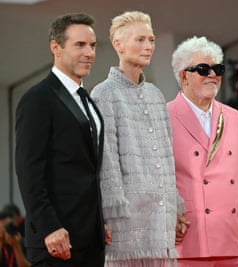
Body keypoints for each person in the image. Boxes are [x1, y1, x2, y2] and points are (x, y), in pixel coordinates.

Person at [91, 11, 186, 267]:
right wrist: (109, 216)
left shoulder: (155, 95)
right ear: (118, 44)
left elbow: (168, 158)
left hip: (161, 220)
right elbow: (106, 162)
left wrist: (175, 207)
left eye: (151, 40)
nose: (148, 46)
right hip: (127, 224)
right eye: (140, 40)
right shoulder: (103, 94)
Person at [15, 12, 111, 266]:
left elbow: (87, 170)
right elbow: (28, 171)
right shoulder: (38, 99)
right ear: (55, 47)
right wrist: (49, 227)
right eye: (79, 45)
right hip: (57, 241)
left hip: (90, 240)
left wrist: (98, 223)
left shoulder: (86, 100)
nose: (89, 52)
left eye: (92, 45)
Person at [167, 36, 238, 267]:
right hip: (189, 241)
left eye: (218, 68)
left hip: (232, 239)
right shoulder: (164, 116)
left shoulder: (234, 117)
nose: (213, 74)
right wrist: (165, 220)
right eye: (203, 69)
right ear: (184, 76)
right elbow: (156, 181)